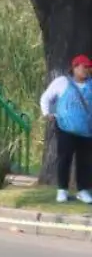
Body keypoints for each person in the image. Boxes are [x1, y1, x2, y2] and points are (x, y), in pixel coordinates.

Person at [37, 54, 92, 203]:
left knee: (85, 161)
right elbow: (46, 97)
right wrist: (47, 113)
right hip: (65, 128)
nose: (87, 70)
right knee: (64, 159)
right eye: (84, 67)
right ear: (75, 67)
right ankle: (62, 190)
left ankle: (83, 190)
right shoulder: (62, 82)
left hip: (86, 130)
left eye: (89, 67)